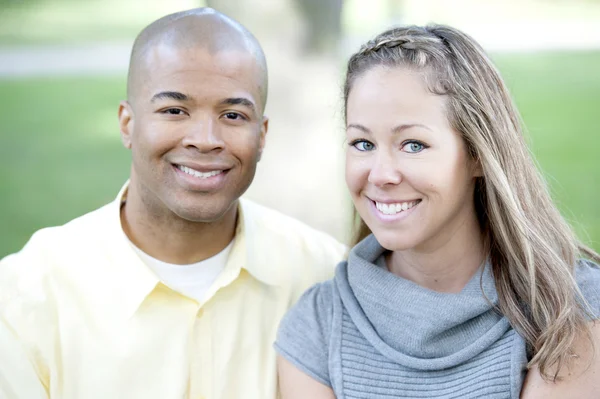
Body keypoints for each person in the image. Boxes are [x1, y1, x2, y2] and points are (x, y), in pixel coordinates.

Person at [0, 8, 346, 399]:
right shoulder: (27, 297)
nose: (205, 138)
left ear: (261, 136)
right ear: (127, 124)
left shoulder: (325, 276)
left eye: (233, 114)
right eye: (174, 111)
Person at [275, 24, 600, 398]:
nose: (380, 174)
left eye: (413, 144)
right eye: (362, 143)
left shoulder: (568, 308)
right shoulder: (317, 325)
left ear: (479, 154)